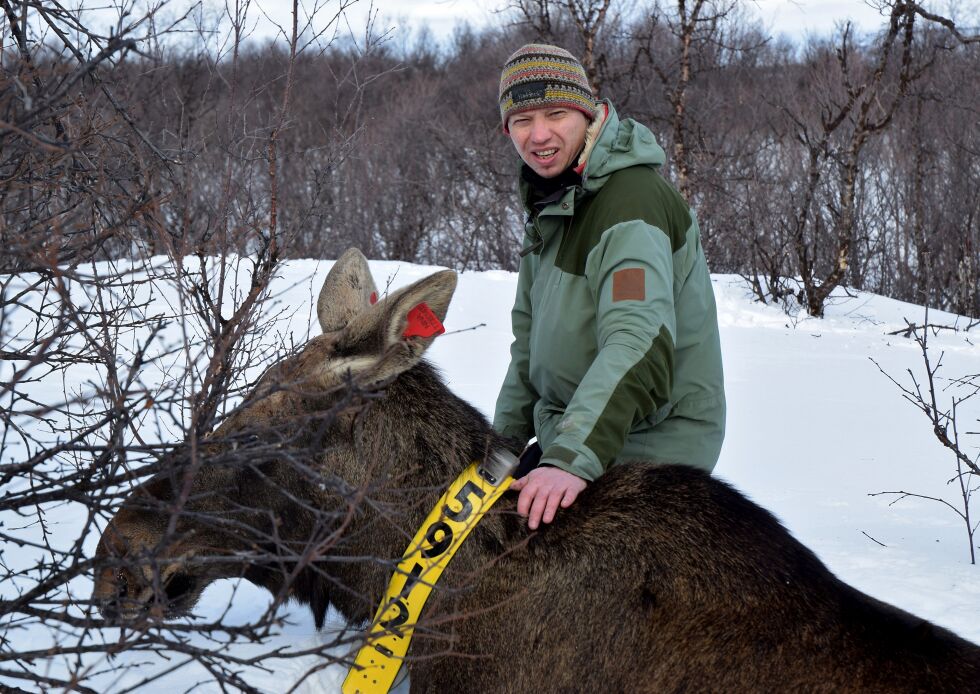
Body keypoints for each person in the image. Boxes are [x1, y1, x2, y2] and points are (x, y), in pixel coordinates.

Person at [492, 44, 726, 530]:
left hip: (650, 444)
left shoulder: (629, 202)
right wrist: (499, 452)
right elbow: (527, 348)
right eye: (522, 120)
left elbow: (637, 342)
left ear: (587, 112)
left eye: (556, 113)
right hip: (576, 432)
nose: (539, 135)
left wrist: (567, 462)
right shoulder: (553, 203)